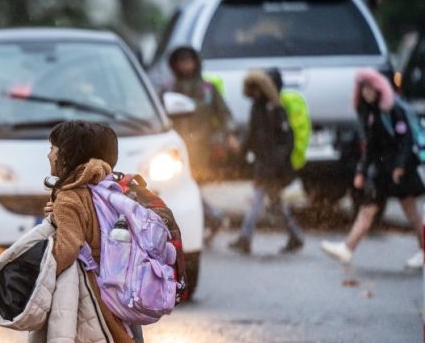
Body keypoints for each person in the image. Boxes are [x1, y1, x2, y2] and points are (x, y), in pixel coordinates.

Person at [20, 121, 205, 343]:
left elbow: (69, 246)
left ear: (66, 158)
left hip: (90, 296)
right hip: (105, 289)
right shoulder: (99, 187)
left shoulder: (69, 195)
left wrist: (40, 273)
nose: (49, 154)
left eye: (54, 150)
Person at [321, 69, 425, 267]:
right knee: (369, 209)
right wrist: (362, 170)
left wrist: (401, 166)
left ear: (379, 89)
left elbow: (405, 140)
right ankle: (348, 248)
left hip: (398, 170)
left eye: (370, 88)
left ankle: (422, 249)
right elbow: (370, 146)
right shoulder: (369, 112)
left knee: (411, 213)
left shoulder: (392, 110)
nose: (366, 92)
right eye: (363, 89)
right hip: (383, 170)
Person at [165, 46, 236, 245]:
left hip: (202, 150)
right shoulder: (168, 89)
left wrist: (227, 136)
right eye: (181, 61)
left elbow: (225, 115)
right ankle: (211, 217)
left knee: (190, 188)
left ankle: (212, 217)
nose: (185, 65)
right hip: (173, 151)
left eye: (189, 60)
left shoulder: (208, 89)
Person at [228, 70, 304, 254]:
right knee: (276, 203)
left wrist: (277, 163)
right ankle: (295, 236)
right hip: (263, 164)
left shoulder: (276, 110)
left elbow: (287, 139)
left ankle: (245, 238)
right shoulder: (257, 107)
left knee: (257, 200)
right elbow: (253, 134)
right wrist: (242, 150)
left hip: (272, 167)